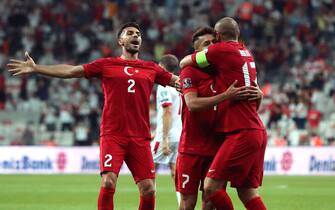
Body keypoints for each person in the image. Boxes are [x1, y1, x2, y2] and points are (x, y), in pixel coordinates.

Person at [7, 22, 179, 210]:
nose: (135, 36)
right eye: (130, 33)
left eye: (138, 34)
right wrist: (37, 68)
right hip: (113, 134)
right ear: (120, 40)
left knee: (149, 190)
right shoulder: (106, 64)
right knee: (108, 183)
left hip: (140, 136)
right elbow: (72, 71)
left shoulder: (151, 68)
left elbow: (179, 82)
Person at [180, 17, 267, 210]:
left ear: (219, 37)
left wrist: (255, 94)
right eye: (206, 45)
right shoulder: (241, 56)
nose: (211, 47)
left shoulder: (222, 57)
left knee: (211, 189)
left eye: (213, 42)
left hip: (239, 133)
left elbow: (184, 61)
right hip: (247, 131)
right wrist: (230, 95)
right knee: (246, 192)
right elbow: (191, 102)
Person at [151, 54, 182, 205]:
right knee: (175, 174)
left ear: (162, 68)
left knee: (148, 172)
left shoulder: (164, 86)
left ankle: (149, 205)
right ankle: (182, 205)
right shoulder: (179, 85)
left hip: (167, 136)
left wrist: (163, 139)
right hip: (179, 134)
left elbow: (167, 110)